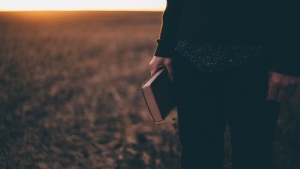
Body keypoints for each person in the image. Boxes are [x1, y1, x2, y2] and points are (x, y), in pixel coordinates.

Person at [149, 0, 300, 169]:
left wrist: (287, 59)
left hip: (257, 61)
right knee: (197, 156)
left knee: (253, 156)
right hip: (189, 58)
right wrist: (165, 46)